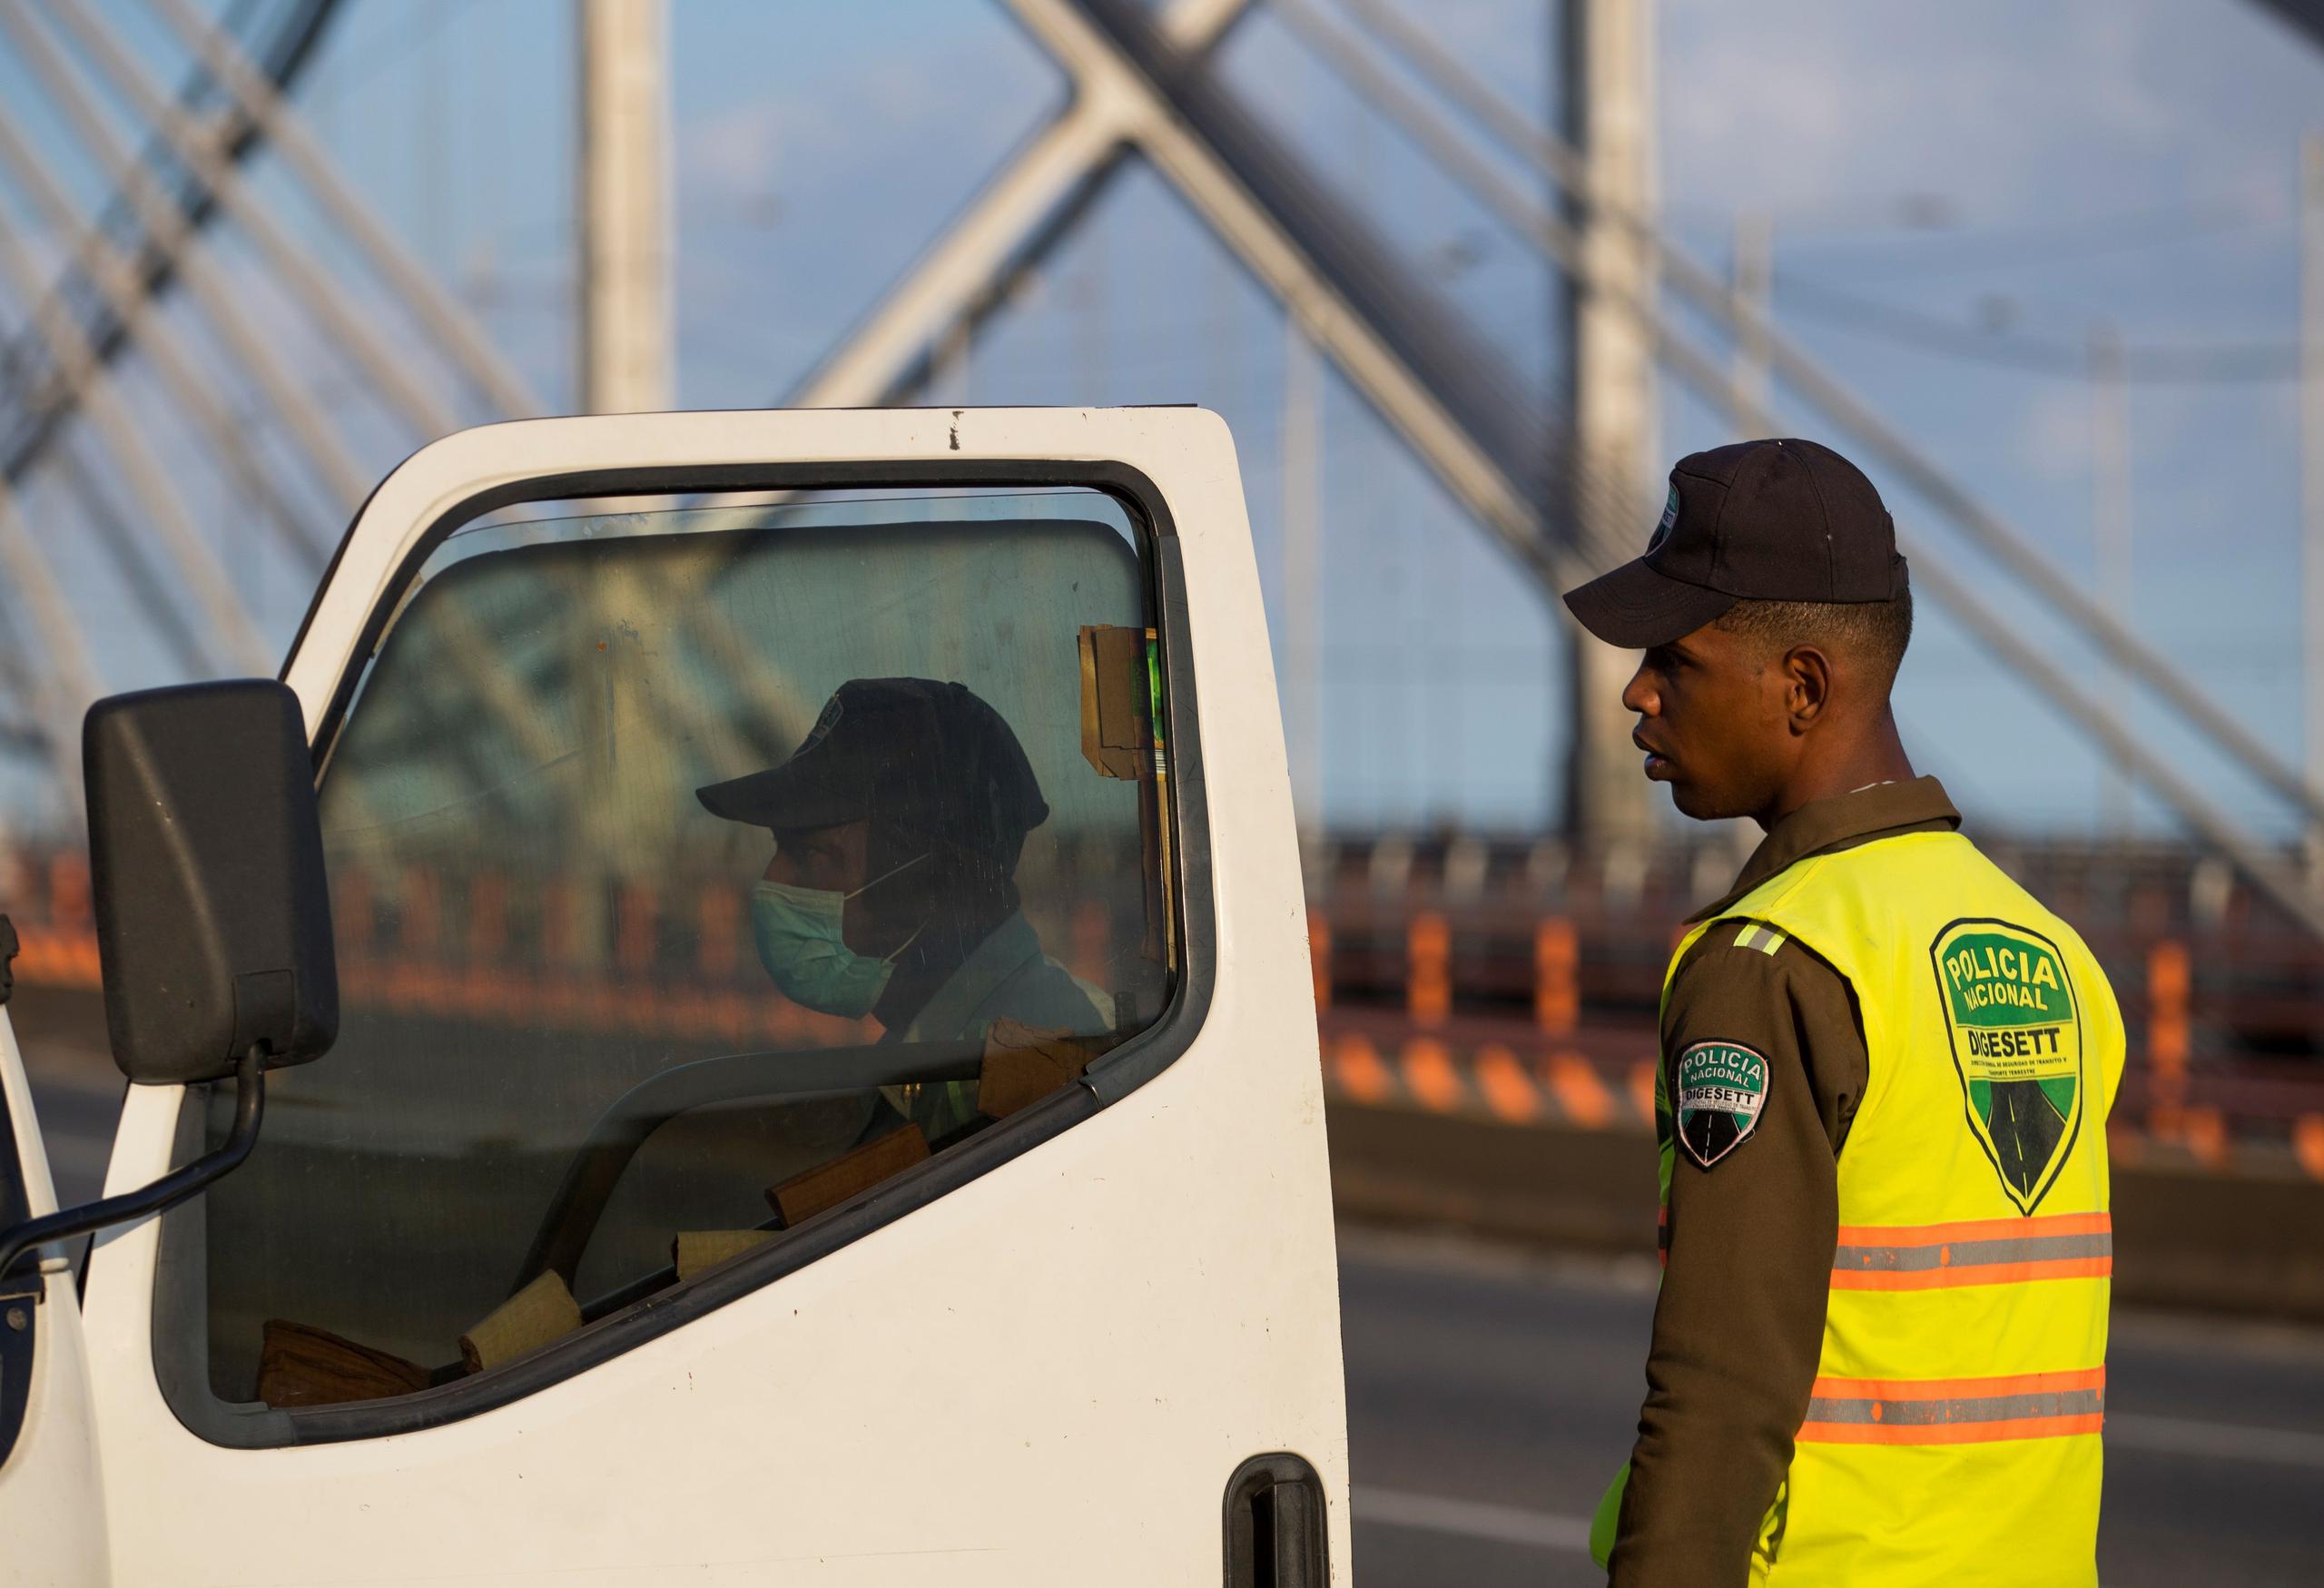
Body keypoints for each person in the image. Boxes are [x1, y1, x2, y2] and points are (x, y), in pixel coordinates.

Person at [1561, 439, 2124, 1586]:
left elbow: (1720, 1386)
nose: (1636, 691)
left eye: (1675, 659)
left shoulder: (1772, 963)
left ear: (1802, 687)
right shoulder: (2054, 954)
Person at [696, 676, 1111, 1139]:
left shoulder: (1058, 1062)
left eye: (811, 856)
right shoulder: (940, 1051)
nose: (771, 882)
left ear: (927, 879)